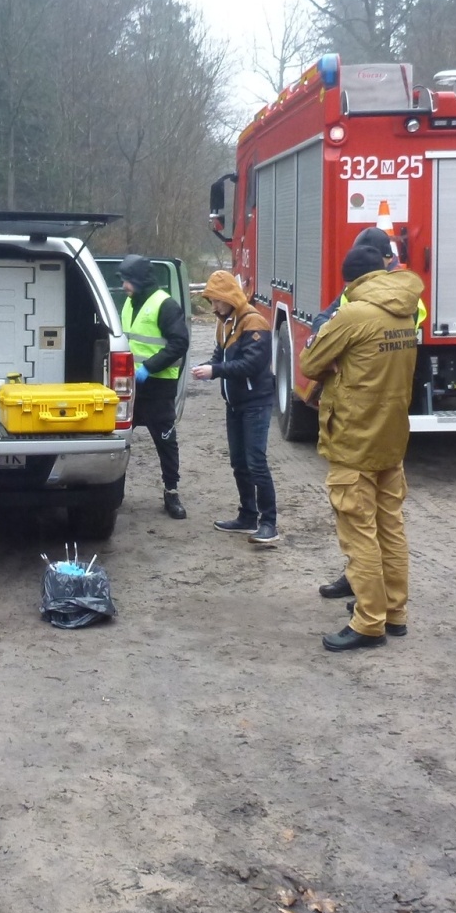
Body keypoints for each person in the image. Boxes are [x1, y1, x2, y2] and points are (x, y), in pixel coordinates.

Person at [299, 244, 424, 651]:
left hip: (355, 440)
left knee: (359, 534)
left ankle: (369, 621)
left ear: (350, 281)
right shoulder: (405, 310)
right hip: (392, 436)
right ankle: (395, 612)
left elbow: (309, 363)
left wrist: (336, 361)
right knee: (391, 528)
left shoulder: (353, 314)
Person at [192, 271, 278, 546]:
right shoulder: (224, 323)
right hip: (234, 404)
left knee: (256, 462)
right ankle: (248, 515)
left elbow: (252, 364)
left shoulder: (254, 322)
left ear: (230, 297)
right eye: (212, 301)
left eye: (217, 300)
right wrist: (207, 366)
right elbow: (220, 355)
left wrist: (215, 370)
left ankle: (269, 522)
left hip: (256, 403)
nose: (214, 306)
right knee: (239, 462)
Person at [119, 255, 190, 520]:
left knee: (165, 441)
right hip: (129, 387)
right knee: (119, 441)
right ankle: (115, 490)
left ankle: (171, 492)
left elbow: (179, 343)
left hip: (158, 387)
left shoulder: (165, 305)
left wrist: (149, 367)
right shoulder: (129, 303)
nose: (124, 285)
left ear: (140, 280)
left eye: (127, 280)